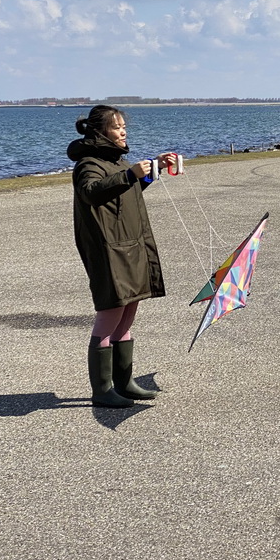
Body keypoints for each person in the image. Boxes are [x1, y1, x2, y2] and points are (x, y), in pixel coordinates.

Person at [68, 105, 177, 408]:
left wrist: (154, 168)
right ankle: (102, 390)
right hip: (109, 251)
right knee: (110, 313)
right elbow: (92, 191)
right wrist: (130, 173)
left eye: (123, 125)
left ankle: (124, 383)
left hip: (130, 245)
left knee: (128, 312)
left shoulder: (117, 161)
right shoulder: (88, 164)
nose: (123, 130)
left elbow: (128, 188)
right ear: (99, 131)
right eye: (116, 126)